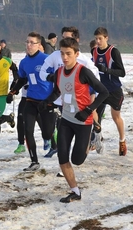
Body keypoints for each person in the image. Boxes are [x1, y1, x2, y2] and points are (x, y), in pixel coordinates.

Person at [40, 37, 109, 202]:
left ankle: (91, 140)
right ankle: (75, 191)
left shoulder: (83, 72)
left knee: (77, 160)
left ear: (76, 54)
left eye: (68, 54)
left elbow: (104, 92)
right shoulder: (58, 72)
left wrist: (88, 111)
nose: (65, 58)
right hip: (66, 119)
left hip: (83, 122)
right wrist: (47, 101)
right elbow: (58, 91)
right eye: (62, 54)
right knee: (62, 157)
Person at [40, 26, 100, 157]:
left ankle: (94, 131)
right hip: (63, 97)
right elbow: (42, 71)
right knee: (64, 127)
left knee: (84, 120)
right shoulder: (56, 55)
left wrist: (90, 94)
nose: (65, 40)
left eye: (69, 38)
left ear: (76, 40)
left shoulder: (83, 59)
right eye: (64, 37)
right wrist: (51, 78)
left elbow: (96, 78)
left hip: (81, 97)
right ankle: (64, 154)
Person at [7, 31, 55, 171]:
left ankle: (51, 133)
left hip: (47, 102)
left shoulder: (47, 59)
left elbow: (58, 77)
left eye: (32, 43)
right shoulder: (24, 62)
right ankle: (34, 161)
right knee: (28, 130)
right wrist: (12, 92)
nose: (28, 45)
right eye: (27, 42)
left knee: (47, 133)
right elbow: (22, 79)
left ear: (39, 45)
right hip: (31, 100)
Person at [92, 27, 127, 156]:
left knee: (115, 117)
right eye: (96, 39)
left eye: (100, 38)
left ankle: (122, 140)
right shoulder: (94, 51)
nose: (98, 41)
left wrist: (106, 69)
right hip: (100, 89)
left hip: (114, 90)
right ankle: (97, 138)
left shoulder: (114, 52)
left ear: (106, 38)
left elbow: (122, 72)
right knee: (94, 112)